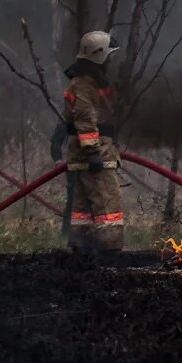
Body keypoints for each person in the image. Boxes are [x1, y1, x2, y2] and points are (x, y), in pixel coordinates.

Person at [63, 31, 124, 251]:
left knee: (83, 208)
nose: (111, 60)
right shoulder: (85, 84)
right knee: (107, 203)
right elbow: (84, 118)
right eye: (109, 56)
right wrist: (93, 152)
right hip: (94, 155)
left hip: (86, 154)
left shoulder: (88, 81)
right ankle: (110, 249)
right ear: (98, 56)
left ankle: (82, 247)